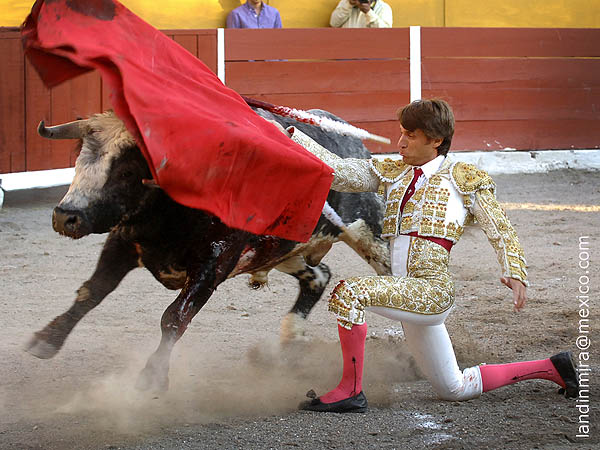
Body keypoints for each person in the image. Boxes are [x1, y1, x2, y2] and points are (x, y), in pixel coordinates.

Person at [279, 98, 578, 413]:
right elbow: (339, 173)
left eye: (410, 135)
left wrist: (515, 271)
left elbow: (501, 229)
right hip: (405, 290)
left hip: (431, 290)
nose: (400, 142)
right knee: (455, 388)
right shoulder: (394, 172)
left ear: (435, 140)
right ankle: (552, 368)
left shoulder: (464, 178)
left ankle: (350, 391)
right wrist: (292, 135)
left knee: (350, 294)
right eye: (402, 133)